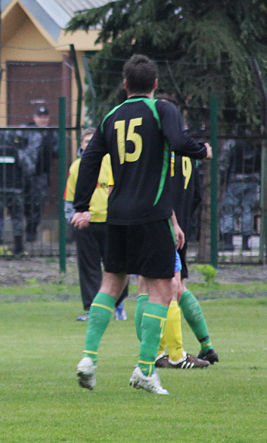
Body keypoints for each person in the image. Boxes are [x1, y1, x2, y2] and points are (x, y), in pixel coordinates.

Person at [72, 54, 211, 395]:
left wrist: (81, 205)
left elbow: (89, 161)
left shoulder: (111, 117)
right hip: (153, 214)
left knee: (110, 284)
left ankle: (89, 358)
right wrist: (202, 151)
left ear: (125, 84)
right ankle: (145, 369)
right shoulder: (162, 109)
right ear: (155, 84)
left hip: (118, 215)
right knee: (161, 290)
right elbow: (178, 142)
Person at [150, 149, 217, 368]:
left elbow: (157, 189)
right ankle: (206, 345)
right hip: (182, 226)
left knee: (151, 288)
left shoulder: (159, 149)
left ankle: (159, 353)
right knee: (179, 288)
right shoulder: (188, 153)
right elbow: (196, 194)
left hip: (161, 224)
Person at [63, 128, 128, 321]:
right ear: (81, 145)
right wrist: (74, 217)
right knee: (88, 267)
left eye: (93, 141)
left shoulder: (110, 161)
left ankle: (118, 304)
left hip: (109, 222)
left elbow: (115, 189)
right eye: (86, 142)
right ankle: (93, 309)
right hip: (86, 224)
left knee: (115, 265)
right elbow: (70, 196)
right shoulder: (77, 166)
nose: (89, 145)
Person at [22, 105, 59, 243]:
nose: (43, 120)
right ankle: (25, 231)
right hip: (25, 175)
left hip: (42, 174)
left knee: (38, 203)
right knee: (24, 202)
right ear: (34, 117)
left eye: (45, 117)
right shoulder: (26, 130)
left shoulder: (52, 133)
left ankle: (32, 231)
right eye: (40, 117)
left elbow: (57, 151)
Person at [219, 139, 260, 251]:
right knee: (248, 210)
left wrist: (222, 179)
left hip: (234, 180)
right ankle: (245, 243)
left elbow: (224, 164)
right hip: (252, 179)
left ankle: (228, 242)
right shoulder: (255, 142)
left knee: (229, 210)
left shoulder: (232, 143)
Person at [0, 128, 29, 255]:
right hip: (15, 189)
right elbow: (28, 167)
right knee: (17, 218)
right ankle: (19, 247)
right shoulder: (17, 151)